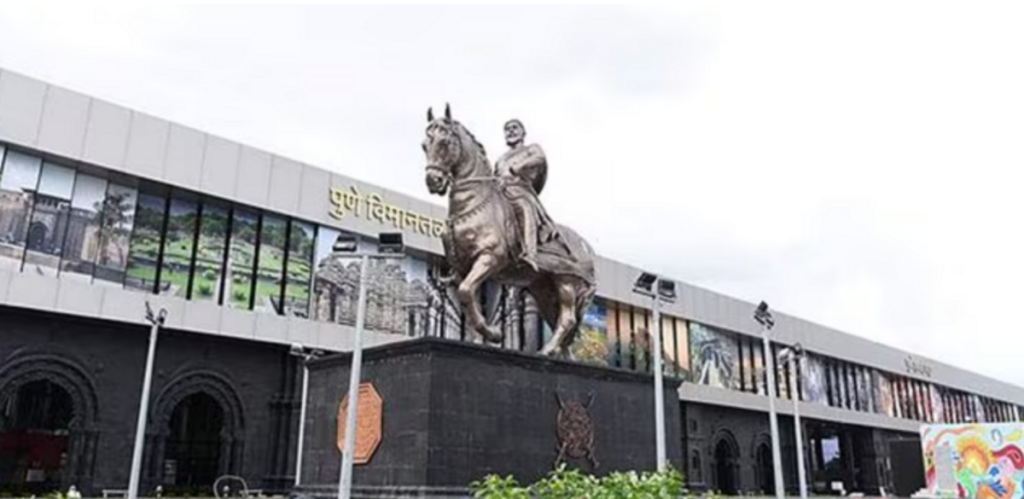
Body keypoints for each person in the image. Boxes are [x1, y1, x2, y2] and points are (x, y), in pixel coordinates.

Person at [494, 119, 559, 271]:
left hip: (520, 190)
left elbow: (540, 159)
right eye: (507, 129)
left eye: (515, 128)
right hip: (500, 193)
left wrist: (520, 166)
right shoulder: (500, 160)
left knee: (524, 208)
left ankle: (530, 253)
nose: (510, 131)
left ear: (524, 133)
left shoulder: (532, 148)